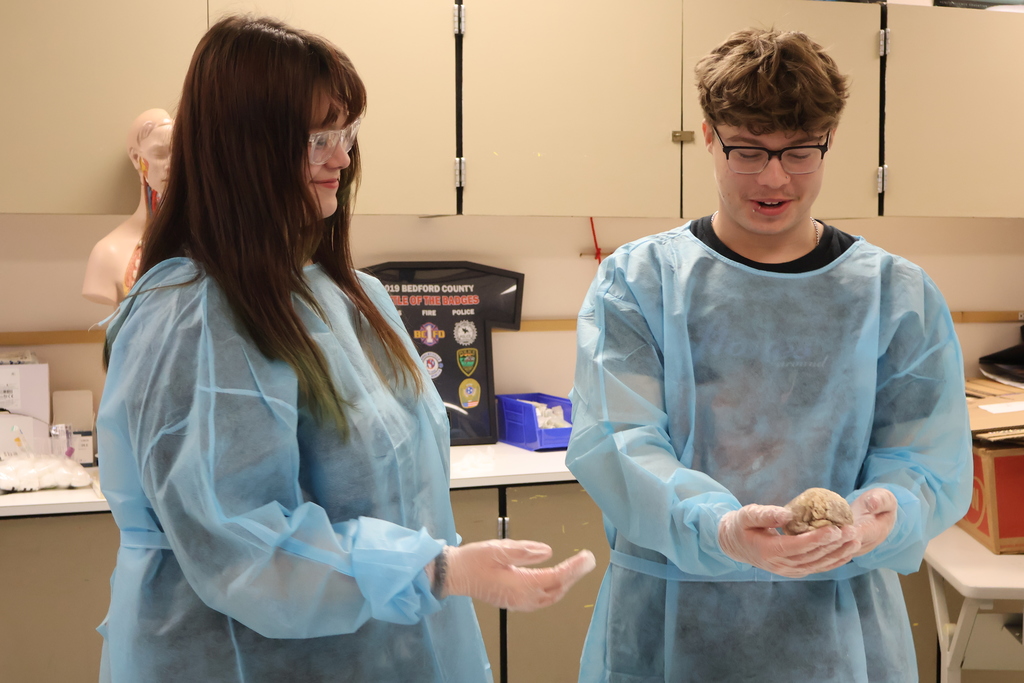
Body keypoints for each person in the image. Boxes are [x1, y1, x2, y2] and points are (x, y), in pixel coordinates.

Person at [96, 15, 595, 683]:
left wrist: (431, 571)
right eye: (318, 138)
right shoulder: (194, 315)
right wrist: (435, 569)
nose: (343, 157)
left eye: (348, 133)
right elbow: (246, 549)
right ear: (247, 148)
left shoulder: (346, 293)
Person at [566, 27, 972, 683]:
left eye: (799, 152)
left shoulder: (895, 297)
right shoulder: (640, 283)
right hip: (668, 630)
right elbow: (618, 444)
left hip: (837, 633)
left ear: (830, 141)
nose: (774, 177)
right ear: (707, 135)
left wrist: (879, 517)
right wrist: (719, 529)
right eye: (748, 151)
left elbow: (927, 462)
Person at [83, 109, 173, 306]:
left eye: (181, 155)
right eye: (160, 154)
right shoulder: (108, 253)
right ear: (136, 157)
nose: (172, 164)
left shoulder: (206, 245)